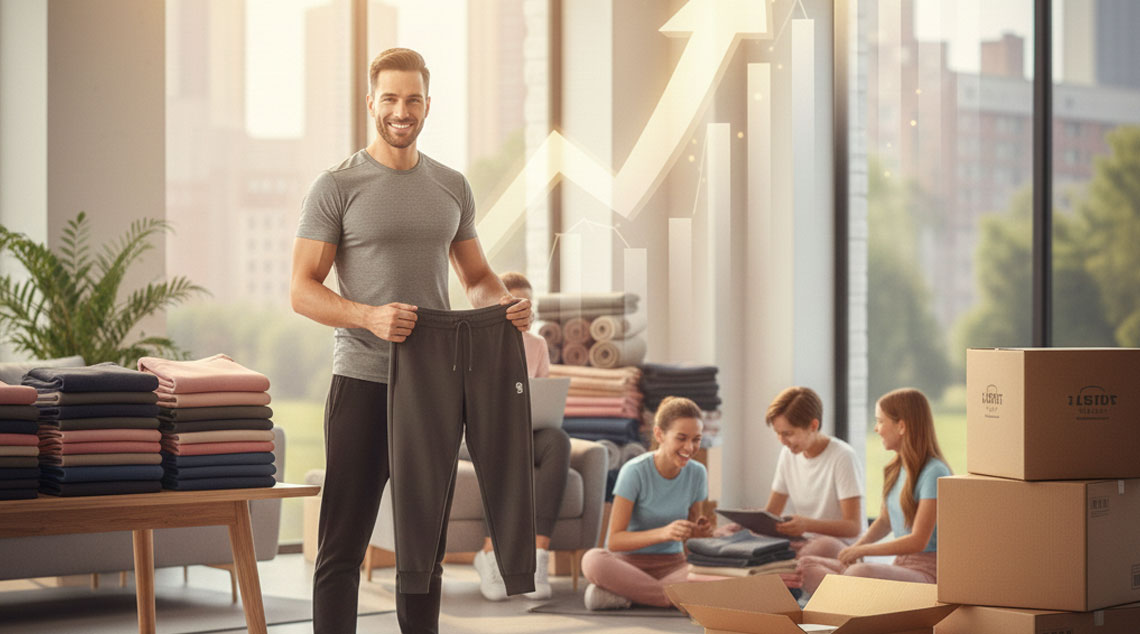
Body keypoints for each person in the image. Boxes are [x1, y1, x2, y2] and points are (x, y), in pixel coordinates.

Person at [291, 48, 532, 634]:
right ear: (371, 103)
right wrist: (369, 317)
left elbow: (476, 279)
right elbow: (302, 290)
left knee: (425, 546)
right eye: (391, 98)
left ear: (428, 105)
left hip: (434, 387)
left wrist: (504, 306)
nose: (403, 110)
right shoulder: (337, 186)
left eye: (413, 99)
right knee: (343, 542)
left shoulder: (451, 186)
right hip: (364, 381)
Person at [471, 272, 571, 601]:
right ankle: (490, 556)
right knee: (502, 447)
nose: (525, 312)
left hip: (528, 430)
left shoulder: (538, 344)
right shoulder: (478, 341)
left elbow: (542, 393)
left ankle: (538, 557)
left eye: (529, 305)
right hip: (488, 433)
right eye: (517, 304)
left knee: (558, 440)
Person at [797, 388, 951, 594]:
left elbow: (918, 540)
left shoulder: (934, 472)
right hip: (900, 566)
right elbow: (885, 522)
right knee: (805, 565)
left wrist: (864, 550)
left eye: (880, 421)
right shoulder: (896, 469)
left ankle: (845, 599)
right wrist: (854, 549)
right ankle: (849, 599)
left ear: (902, 426)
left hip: (929, 572)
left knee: (858, 574)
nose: (876, 429)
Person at [579, 396, 716, 610]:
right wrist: (664, 533)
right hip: (628, 564)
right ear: (659, 434)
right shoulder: (634, 471)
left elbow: (691, 542)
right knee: (592, 560)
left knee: (719, 572)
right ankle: (669, 597)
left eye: (696, 439)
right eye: (681, 438)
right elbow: (614, 541)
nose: (689, 447)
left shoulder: (697, 473)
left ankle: (628, 596)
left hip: (674, 565)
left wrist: (700, 535)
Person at [718, 387, 863, 560]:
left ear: (813, 425)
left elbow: (853, 526)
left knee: (813, 549)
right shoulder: (788, 454)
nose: (782, 441)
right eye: (778, 434)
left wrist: (807, 525)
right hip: (804, 541)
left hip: (841, 546)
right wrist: (747, 524)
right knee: (726, 536)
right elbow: (772, 512)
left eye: (788, 433)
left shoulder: (842, 456)